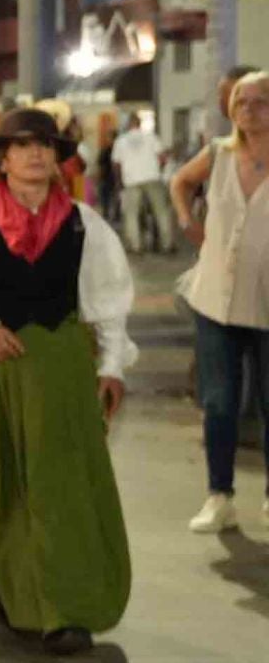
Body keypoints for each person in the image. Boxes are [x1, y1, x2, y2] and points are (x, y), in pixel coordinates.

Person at [0, 108, 136, 656]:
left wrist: (111, 365)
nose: (35, 154)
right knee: (4, 485)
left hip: (61, 369)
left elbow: (107, 301)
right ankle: (20, 595)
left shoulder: (85, 222)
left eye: (44, 144)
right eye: (21, 145)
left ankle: (64, 607)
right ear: (0, 159)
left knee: (62, 488)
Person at [171, 71, 269, 533]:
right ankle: (219, 496)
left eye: (260, 101)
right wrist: (187, 219)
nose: (249, 109)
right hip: (215, 299)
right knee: (219, 401)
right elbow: (179, 182)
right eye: (242, 102)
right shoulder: (219, 154)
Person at [112, 111, 176, 254]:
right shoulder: (151, 137)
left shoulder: (120, 141)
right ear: (139, 123)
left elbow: (116, 164)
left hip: (131, 181)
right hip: (152, 177)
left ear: (128, 124)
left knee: (132, 214)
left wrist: (119, 182)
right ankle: (167, 244)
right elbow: (162, 157)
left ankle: (136, 246)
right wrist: (159, 170)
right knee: (161, 212)